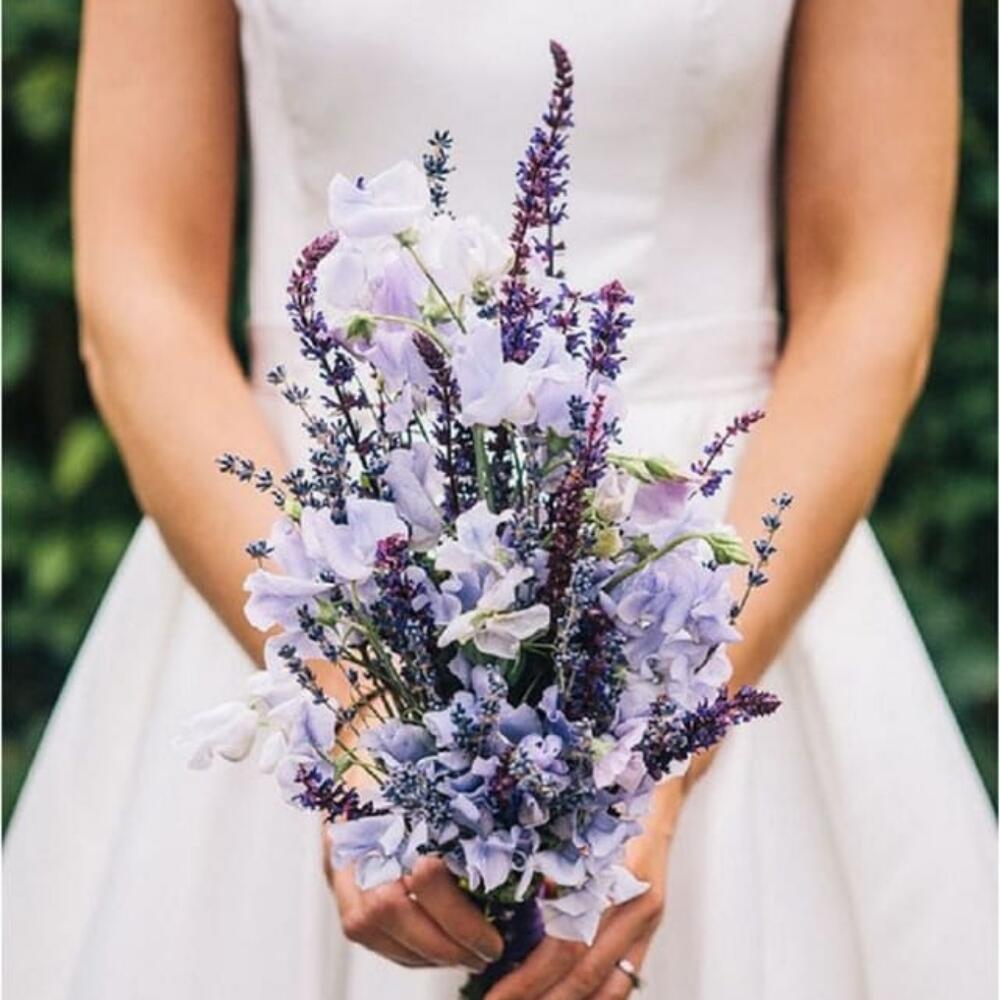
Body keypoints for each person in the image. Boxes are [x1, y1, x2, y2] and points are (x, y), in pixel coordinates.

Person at [4, 2, 995, 998]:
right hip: (308, 551)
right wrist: (364, 714)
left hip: (695, 559)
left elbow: (870, 294)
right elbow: (141, 296)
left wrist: (656, 747)